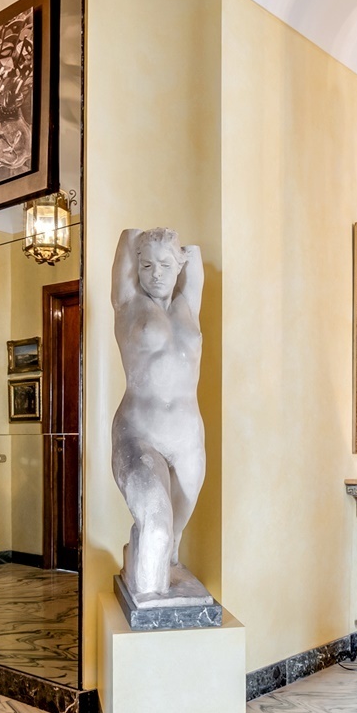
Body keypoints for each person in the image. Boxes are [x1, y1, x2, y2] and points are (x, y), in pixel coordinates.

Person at [111, 227, 205, 597]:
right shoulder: (127, 303)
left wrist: (177, 251)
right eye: (147, 265)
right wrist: (143, 242)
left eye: (165, 265)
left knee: (171, 544)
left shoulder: (188, 306)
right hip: (139, 434)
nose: (156, 273)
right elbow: (127, 239)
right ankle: (151, 607)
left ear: (179, 267)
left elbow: (193, 256)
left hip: (188, 440)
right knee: (157, 527)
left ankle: (141, 565)